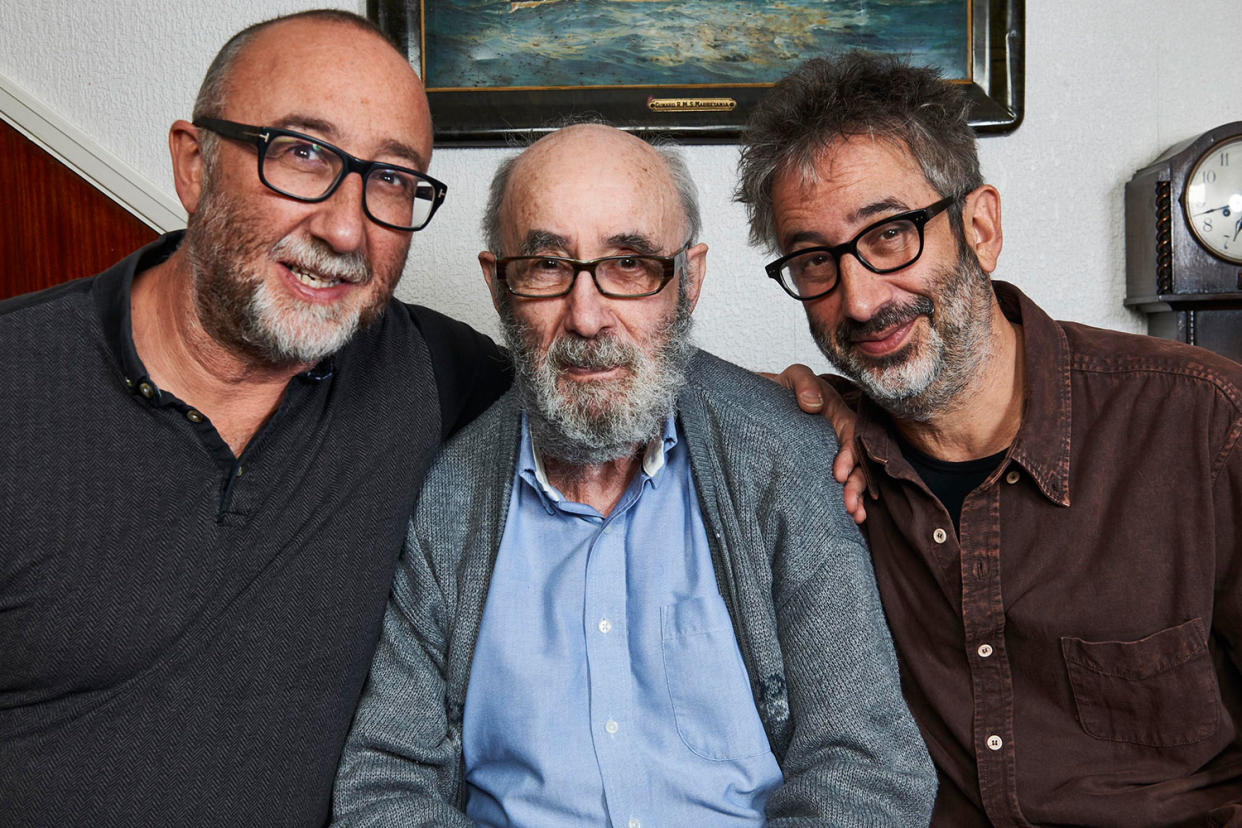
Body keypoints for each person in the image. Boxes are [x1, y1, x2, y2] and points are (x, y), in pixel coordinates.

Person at [331, 122, 936, 826]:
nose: (587, 317)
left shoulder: (785, 458)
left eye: (630, 266)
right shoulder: (441, 498)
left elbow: (868, 768)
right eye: (547, 267)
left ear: (691, 279)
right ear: (498, 286)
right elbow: (385, 782)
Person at [0, 11, 509, 825]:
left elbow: (599, 388)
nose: (346, 227)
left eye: (391, 179)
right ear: (194, 164)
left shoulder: (434, 377)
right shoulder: (17, 387)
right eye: (303, 152)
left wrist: (779, 396)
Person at [736, 51, 1242, 825]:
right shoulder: (816, 460)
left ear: (980, 226)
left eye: (891, 234)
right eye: (814, 261)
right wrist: (788, 411)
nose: (861, 298)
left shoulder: (1202, 426)